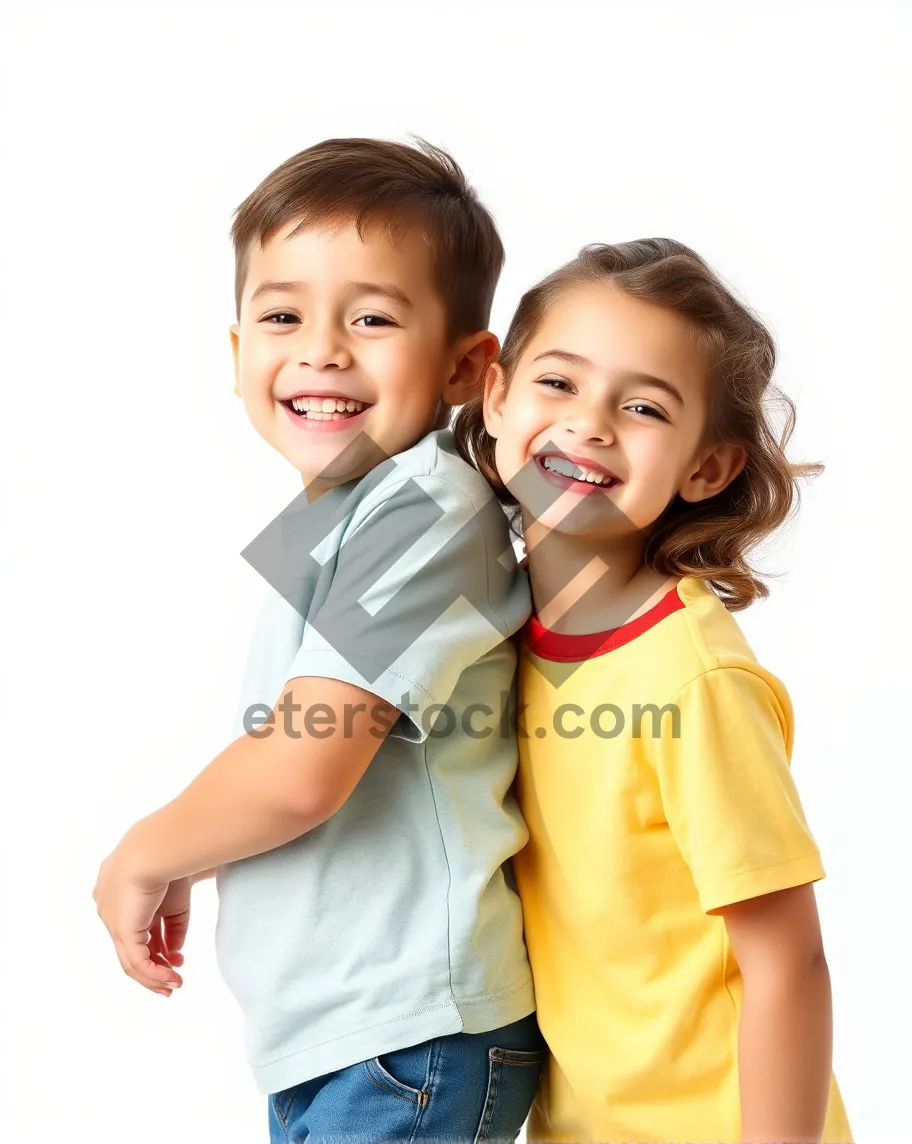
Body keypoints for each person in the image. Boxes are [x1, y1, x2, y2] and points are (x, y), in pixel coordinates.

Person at [93, 137, 544, 1143]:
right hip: (356, 1038)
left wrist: (143, 851)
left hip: (412, 1036)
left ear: (469, 366)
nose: (322, 349)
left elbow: (302, 768)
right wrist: (186, 849)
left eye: (374, 318)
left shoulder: (422, 505)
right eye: (283, 315)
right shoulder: (346, 513)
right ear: (238, 350)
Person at [454, 238, 853, 1143]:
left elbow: (788, 960)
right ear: (496, 396)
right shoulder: (491, 627)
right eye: (558, 383)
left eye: (640, 407)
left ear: (705, 469)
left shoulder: (694, 678)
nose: (589, 424)